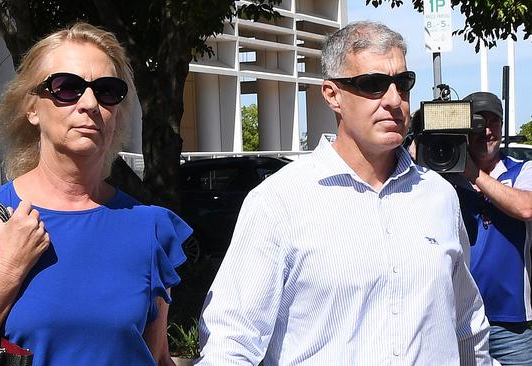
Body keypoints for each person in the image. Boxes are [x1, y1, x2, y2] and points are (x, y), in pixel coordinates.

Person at [197, 21, 493, 365]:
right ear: (332, 95)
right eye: (373, 85)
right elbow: (231, 343)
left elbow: (466, 323)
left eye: (403, 83)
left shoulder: (438, 197)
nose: (394, 100)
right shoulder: (278, 202)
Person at [0, 23, 192, 366]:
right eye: (67, 88)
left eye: (107, 90)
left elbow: (157, 357)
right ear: (31, 108)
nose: (89, 103)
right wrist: (6, 271)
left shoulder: (150, 229)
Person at [451, 91, 532, 365]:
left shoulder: (521, 170)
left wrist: (473, 173)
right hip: (459, 319)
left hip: (511, 322)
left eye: (494, 122)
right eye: (477, 123)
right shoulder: (445, 180)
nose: (486, 131)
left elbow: (525, 207)